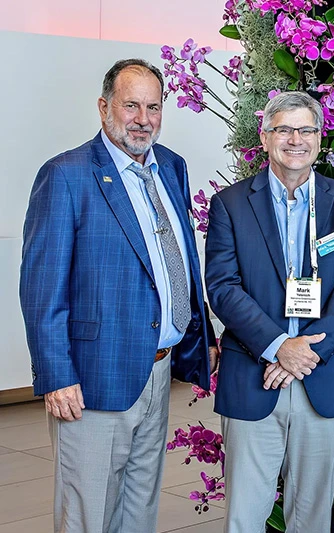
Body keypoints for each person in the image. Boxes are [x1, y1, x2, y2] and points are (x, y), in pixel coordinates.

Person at [20, 58, 215, 532]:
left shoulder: (171, 166)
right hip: (92, 378)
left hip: (159, 369)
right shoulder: (66, 175)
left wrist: (199, 333)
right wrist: (55, 375)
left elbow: (180, 256)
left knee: (139, 509)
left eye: (153, 106)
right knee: (89, 513)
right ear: (104, 108)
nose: (143, 118)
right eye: (131, 105)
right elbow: (41, 287)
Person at [204, 91, 334, 532]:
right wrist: (279, 346)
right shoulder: (230, 204)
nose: (295, 139)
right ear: (265, 137)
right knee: (245, 516)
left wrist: (305, 351)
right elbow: (223, 287)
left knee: (312, 518)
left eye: (306, 130)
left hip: (324, 376)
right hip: (255, 377)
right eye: (283, 129)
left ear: (320, 138)